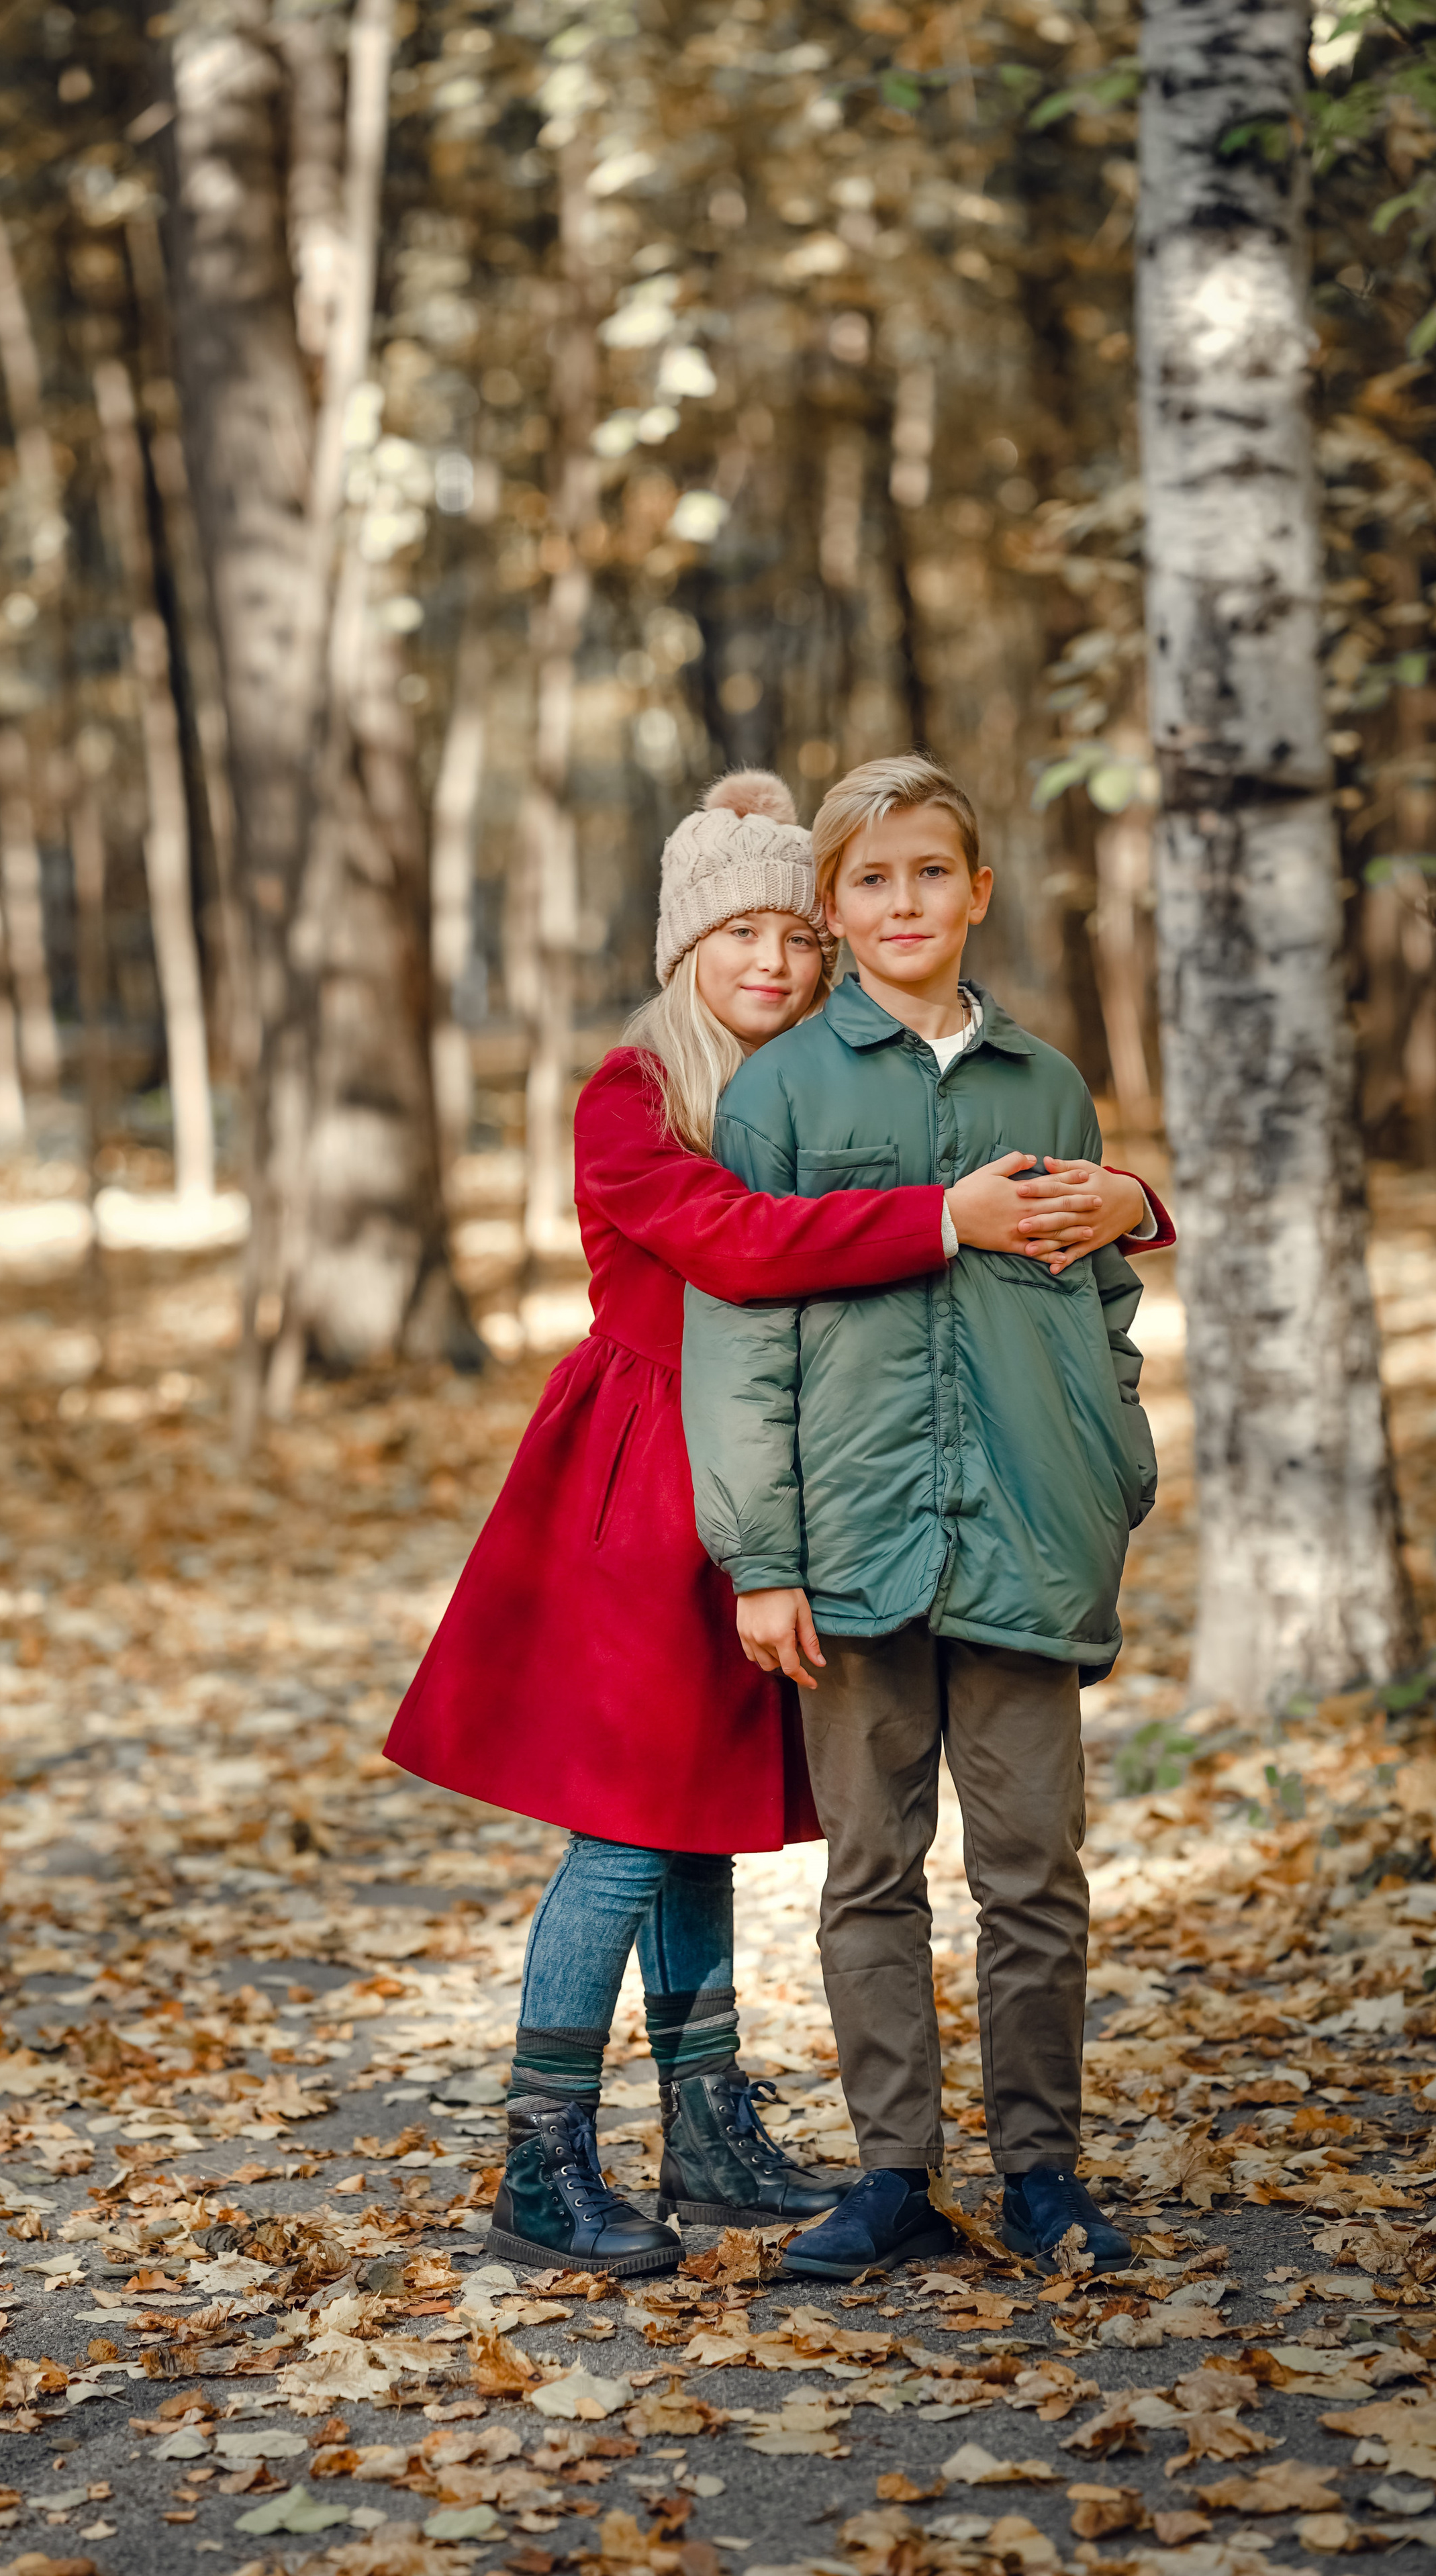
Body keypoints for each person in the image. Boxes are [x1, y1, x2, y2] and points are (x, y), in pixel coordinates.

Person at [386, 769, 1172, 2278]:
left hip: (789, 1481)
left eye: (785, 934)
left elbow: (1066, 1244)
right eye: (735, 931)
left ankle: (706, 2126)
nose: (770, 958)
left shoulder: (802, 1075)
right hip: (651, 1491)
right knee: (623, 1829)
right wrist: (949, 1210)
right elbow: (746, 1251)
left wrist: (1125, 1201)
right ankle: (539, 2155)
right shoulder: (638, 1093)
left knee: (698, 1830)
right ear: (684, 945)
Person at [683, 753, 1160, 2285]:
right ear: (830, 907)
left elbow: (1105, 1296)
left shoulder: (1042, 1082)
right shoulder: (779, 1090)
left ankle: (1041, 2172)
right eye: (869, 879)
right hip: (853, 1542)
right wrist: (761, 1553)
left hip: (1026, 1529)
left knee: (1032, 1868)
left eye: (928, 873)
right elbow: (741, 1325)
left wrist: (1113, 1466)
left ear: (977, 890)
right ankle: (894, 2174)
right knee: (869, 1868)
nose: (902, 902)